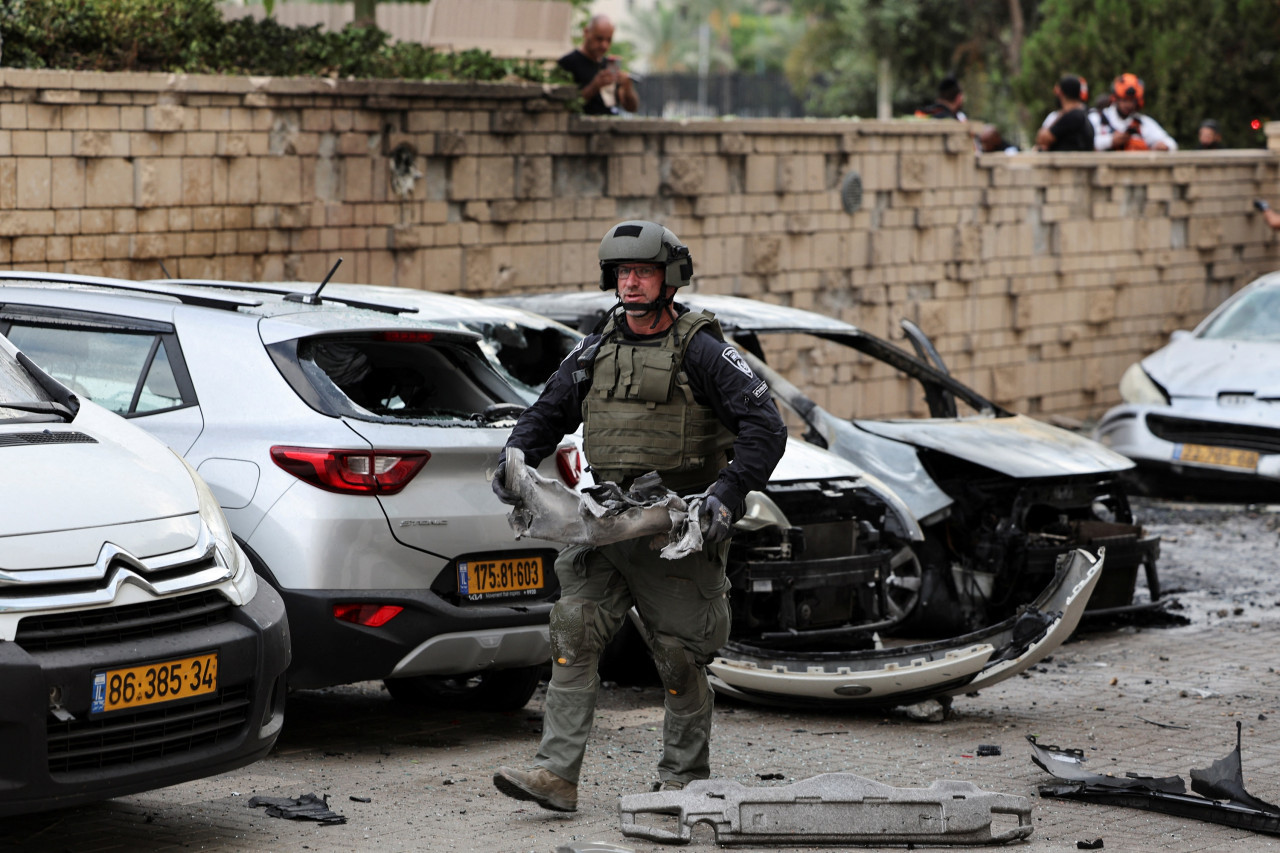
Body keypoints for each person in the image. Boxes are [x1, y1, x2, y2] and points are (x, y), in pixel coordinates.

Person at [490, 220, 788, 812]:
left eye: (643, 272)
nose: (631, 282)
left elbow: (766, 426)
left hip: (675, 527)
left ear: (669, 279)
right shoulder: (597, 345)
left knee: (677, 656)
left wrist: (724, 497)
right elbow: (547, 411)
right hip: (606, 520)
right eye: (623, 272)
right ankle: (555, 774)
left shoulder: (702, 348)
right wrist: (516, 456)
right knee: (572, 632)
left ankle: (683, 780)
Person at [557, 14, 638, 115]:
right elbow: (565, 105)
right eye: (599, 39)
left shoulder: (608, 64)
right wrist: (595, 86)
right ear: (586, 33)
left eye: (609, 40)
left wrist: (627, 86)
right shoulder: (568, 63)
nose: (604, 45)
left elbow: (632, 107)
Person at [1092, 73, 1177, 151]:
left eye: (1132, 101)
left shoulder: (1142, 122)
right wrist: (1111, 141)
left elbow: (1172, 144)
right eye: (1124, 100)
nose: (1128, 105)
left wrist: (1162, 146)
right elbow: (1084, 143)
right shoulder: (1097, 118)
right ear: (1116, 98)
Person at [1035, 75, 1094, 152]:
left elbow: (1043, 138)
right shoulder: (1083, 114)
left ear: (1060, 93)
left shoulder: (1073, 116)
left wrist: (1062, 113)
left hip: (1069, 163)